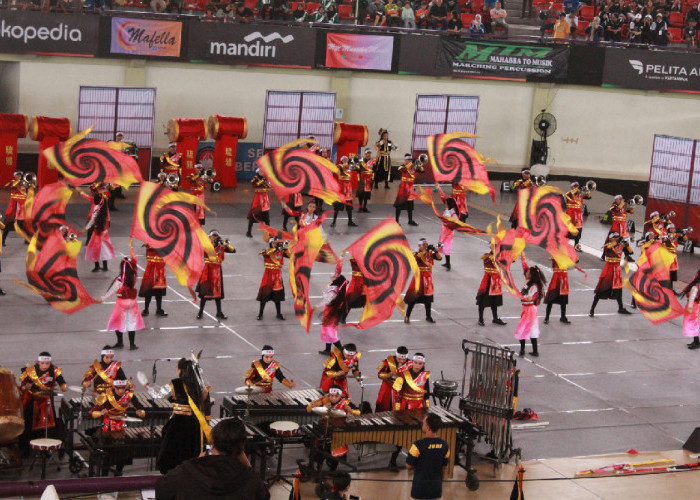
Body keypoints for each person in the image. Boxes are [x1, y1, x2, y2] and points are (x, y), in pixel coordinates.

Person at [156, 417, 270, 500]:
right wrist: (246, 463)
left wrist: (194, 462)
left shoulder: (186, 470)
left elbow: (161, 490)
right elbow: (264, 496)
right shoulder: (250, 477)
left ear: (213, 442)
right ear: (242, 447)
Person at [157, 358, 212, 475]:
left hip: (177, 425)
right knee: (192, 454)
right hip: (195, 424)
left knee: (172, 456)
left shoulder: (175, 383)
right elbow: (204, 406)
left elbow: (158, 395)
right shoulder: (201, 385)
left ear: (180, 370)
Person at [89, 377, 146, 476]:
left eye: (123, 388)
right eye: (118, 388)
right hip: (107, 428)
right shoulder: (106, 395)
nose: (120, 391)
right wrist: (100, 412)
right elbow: (91, 412)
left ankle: (118, 473)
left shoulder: (128, 395)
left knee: (122, 453)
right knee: (108, 453)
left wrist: (141, 412)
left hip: (120, 428)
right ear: (113, 387)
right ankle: (104, 476)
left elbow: (140, 407)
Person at [18, 352, 68, 452]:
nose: (45, 366)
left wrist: (63, 386)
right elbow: (22, 388)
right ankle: (27, 448)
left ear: (50, 363)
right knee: (29, 422)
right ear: (38, 362)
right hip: (33, 400)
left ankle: (48, 446)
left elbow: (61, 381)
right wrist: (25, 387)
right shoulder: (30, 371)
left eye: (47, 363)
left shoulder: (54, 371)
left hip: (47, 399)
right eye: (42, 363)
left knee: (49, 423)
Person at [306, 385, 360, 472]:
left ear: (340, 395)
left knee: (334, 452)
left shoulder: (345, 402)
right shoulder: (325, 399)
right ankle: (317, 468)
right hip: (325, 428)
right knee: (319, 447)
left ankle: (333, 469)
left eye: (336, 396)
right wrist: (312, 406)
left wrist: (351, 410)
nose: (333, 398)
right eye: (331, 395)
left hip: (337, 431)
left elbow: (358, 412)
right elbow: (308, 409)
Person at [102, 257, 144, 350]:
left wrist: (102, 298)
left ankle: (120, 342)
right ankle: (132, 344)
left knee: (117, 321)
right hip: (132, 303)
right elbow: (135, 263)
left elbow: (111, 291)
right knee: (131, 322)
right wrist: (131, 248)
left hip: (121, 303)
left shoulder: (119, 279)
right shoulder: (133, 277)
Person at [406, 414, 450, 500]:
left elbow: (408, 465)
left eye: (424, 423)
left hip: (419, 488)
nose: (422, 425)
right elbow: (444, 466)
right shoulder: (445, 445)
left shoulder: (417, 445)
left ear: (428, 428)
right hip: (435, 487)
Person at [590, 233, 634, 317]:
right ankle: (592, 309)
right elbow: (612, 249)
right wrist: (618, 243)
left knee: (618, 290)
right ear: (610, 238)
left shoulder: (620, 245)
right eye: (615, 237)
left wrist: (627, 245)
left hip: (617, 270)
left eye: (617, 237)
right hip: (609, 270)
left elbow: (631, 252)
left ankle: (620, 308)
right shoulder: (607, 246)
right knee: (601, 289)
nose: (616, 238)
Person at [197, 230, 236, 320]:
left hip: (217, 271)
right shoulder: (206, 245)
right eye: (213, 236)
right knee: (204, 292)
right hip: (208, 270)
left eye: (216, 236)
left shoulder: (220, 246)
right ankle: (200, 312)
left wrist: (225, 245)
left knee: (217, 292)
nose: (215, 237)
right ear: (209, 237)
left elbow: (233, 250)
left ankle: (219, 312)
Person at [404, 239, 442, 324]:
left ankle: (428, 317)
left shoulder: (430, 252)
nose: (425, 246)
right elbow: (415, 259)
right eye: (424, 244)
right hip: (418, 278)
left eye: (426, 244)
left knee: (428, 299)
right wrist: (426, 251)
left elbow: (439, 258)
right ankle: (407, 316)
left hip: (427, 278)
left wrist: (435, 250)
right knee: (413, 298)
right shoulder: (416, 253)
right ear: (419, 246)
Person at [515, 260, 546, 357]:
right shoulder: (529, 283)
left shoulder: (534, 287)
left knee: (524, 328)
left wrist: (518, 295)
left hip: (530, 310)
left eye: (528, 272)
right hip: (527, 309)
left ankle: (523, 350)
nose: (526, 273)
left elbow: (528, 298)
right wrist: (522, 257)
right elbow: (525, 268)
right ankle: (532, 350)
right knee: (531, 328)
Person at [256, 236, 290, 320]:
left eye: (276, 243)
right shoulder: (266, 250)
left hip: (277, 275)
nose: (275, 244)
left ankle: (279, 313)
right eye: (273, 243)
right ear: (270, 243)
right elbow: (267, 253)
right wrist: (277, 248)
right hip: (268, 275)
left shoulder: (280, 250)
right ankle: (260, 314)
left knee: (277, 296)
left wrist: (286, 248)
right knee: (264, 295)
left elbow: (290, 255)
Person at [85, 184, 115, 272]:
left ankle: (97, 266)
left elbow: (92, 219)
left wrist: (86, 228)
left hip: (97, 231)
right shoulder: (104, 207)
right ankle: (105, 266)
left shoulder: (97, 208)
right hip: (103, 230)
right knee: (104, 247)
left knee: (95, 248)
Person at [317, 274, 349, 355]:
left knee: (330, 331)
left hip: (330, 311)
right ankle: (327, 349)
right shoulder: (335, 286)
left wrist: (317, 306)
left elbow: (328, 299)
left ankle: (342, 350)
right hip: (330, 310)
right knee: (327, 330)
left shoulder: (334, 288)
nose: (333, 275)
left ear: (337, 280)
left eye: (336, 276)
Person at [476, 249, 507, 326]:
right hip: (488, 282)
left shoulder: (500, 258)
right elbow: (490, 270)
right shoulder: (487, 257)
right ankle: (480, 319)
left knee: (495, 301)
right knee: (482, 301)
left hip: (496, 283)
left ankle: (495, 318)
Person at [375, 346, 410, 412]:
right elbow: (379, 375)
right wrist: (388, 375)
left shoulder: (410, 363)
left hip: (403, 389)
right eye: (399, 359)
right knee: (384, 406)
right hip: (388, 388)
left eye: (404, 360)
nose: (402, 361)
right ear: (396, 356)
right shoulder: (388, 361)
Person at [394, 154, 423, 227]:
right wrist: (411, 165)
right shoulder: (403, 166)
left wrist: (419, 164)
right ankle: (396, 221)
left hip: (410, 189)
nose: (409, 161)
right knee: (399, 205)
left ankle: (410, 220)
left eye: (410, 160)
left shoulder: (414, 167)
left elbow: (422, 171)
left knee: (410, 206)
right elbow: (401, 169)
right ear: (405, 160)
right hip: (403, 188)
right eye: (408, 160)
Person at [139, 244, 168, 317]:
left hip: (158, 271)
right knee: (149, 291)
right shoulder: (151, 247)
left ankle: (157, 309)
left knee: (159, 291)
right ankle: (146, 309)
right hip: (153, 271)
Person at [2, 171, 28, 245]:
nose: (18, 177)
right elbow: (11, 191)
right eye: (17, 175)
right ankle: (3, 240)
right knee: (8, 225)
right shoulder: (13, 183)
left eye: (20, 175)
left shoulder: (24, 184)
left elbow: (25, 194)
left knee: (24, 225)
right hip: (14, 207)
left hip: (22, 207)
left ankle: (26, 240)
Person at [543, 257, 571, 325]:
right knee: (550, 299)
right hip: (556, 281)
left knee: (563, 301)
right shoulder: (556, 256)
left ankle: (563, 317)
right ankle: (546, 317)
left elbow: (576, 260)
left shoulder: (567, 258)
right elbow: (551, 261)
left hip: (563, 281)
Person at [339, 257, 367, 323]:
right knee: (349, 301)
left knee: (365, 302)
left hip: (363, 284)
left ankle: (367, 319)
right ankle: (342, 317)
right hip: (357, 284)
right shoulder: (355, 260)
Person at [331, 159, 357, 228]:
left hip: (348, 190)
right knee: (337, 207)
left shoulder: (348, 170)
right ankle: (333, 221)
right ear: (341, 161)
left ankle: (350, 221)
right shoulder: (339, 168)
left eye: (346, 160)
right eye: (344, 160)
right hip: (341, 189)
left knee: (349, 206)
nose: (345, 161)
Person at [565, 181, 591, 250]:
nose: (576, 187)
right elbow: (574, 193)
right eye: (574, 186)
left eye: (577, 186)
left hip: (578, 215)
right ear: (571, 187)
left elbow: (589, 197)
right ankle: (562, 243)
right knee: (567, 230)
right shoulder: (569, 193)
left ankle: (576, 245)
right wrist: (579, 190)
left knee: (579, 229)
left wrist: (587, 191)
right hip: (570, 214)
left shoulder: (580, 195)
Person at [246, 170, 271, 238]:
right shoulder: (255, 179)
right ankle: (249, 232)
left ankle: (269, 233)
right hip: (258, 199)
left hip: (265, 198)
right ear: (258, 172)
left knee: (267, 217)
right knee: (253, 215)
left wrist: (268, 182)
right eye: (261, 171)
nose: (262, 172)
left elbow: (269, 187)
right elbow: (255, 185)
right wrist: (263, 180)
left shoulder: (266, 178)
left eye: (263, 171)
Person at [680, 270, 700, 350]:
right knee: (693, 323)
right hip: (696, 306)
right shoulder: (698, 286)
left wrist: (690, 307)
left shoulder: (695, 287)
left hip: (693, 306)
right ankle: (695, 341)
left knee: (692, 324)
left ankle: (697, 342)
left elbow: (692, 298)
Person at [438, 195, 459, 271]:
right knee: (442, 244)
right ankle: (446, 262)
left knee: (446, 246)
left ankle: (448, 263)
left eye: (446, 202)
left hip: (448, 231)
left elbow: (455, 221)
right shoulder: (447, 209)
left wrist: (448, 223)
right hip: (444, 230)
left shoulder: (452, 212)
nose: (445, 203)